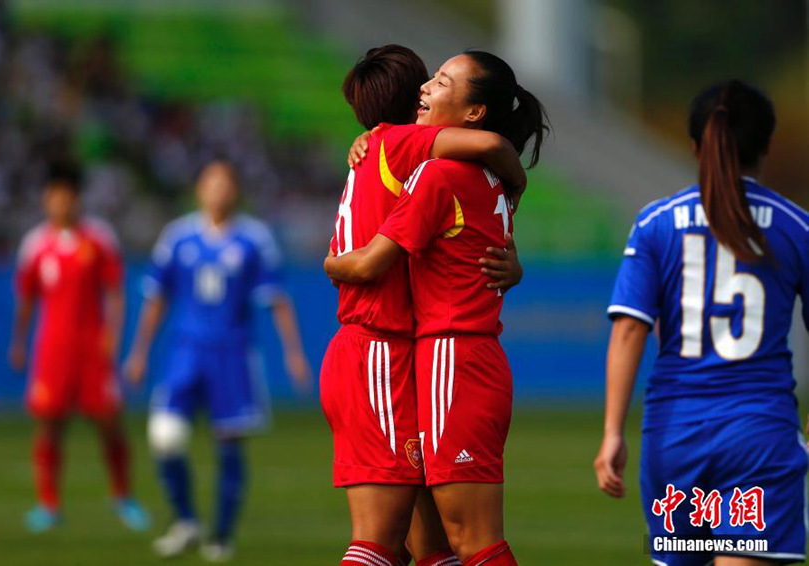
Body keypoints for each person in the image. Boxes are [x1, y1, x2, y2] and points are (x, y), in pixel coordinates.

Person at [326, 50, 548, 566]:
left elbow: (367, 264)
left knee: (435, 545)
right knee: (424, 545)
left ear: (473, 111)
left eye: (442, 81)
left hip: (433, 357)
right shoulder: (465, 172)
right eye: (428, 79)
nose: (428, 87)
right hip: (412, 353)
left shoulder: (433, 170)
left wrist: (332, 264)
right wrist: (517, 187)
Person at [594, 80, 809, 566]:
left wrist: (612, 432)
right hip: (760, 436)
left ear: (697, 146)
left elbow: (630, 329)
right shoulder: (797, 227)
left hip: (675, 439)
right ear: (766, 146)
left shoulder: (656, 223)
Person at [124, 159, 311, 562]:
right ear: (199, 189)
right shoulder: (177, 237)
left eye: (225, 183)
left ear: (236, 190)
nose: (218, 190)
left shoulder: (254, 239)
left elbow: (277, 299)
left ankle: (221, 535)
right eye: (211, 182)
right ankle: (187, 521)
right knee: (165, 437)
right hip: (186, 352)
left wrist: (294, 353)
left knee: (229, 446)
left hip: (232, 354)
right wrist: (139, 352)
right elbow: (157, 298)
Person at [9, 160, 149, 533]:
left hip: (92, 349)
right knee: (49, 425)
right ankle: (48, 505)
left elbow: (115, 292)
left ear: (77, 199)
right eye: (54, 196)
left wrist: (113, 335)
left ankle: (123, 498)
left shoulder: (99, 238)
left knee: (109, 423)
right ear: (46, 199)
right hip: (52, 349)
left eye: (67, 196)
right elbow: (26, 300)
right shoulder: (35, 245)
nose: (60, 203)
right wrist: (19, 342)